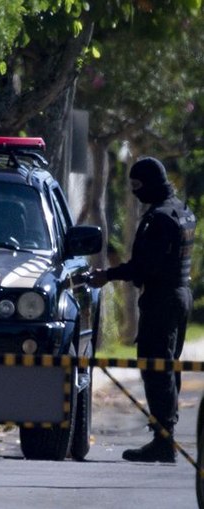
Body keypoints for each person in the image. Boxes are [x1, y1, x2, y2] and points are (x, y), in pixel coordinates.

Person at [88, 156, 196, 463]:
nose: (134, 192)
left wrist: (106, 276)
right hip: (179, 295)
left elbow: (145, 266)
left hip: (162, 300)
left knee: (156, 369)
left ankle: (164, 440)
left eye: (137, 185)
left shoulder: (160, 219)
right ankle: (164, 436)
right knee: (167, 367)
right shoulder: (182, 211)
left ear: (149, 183)